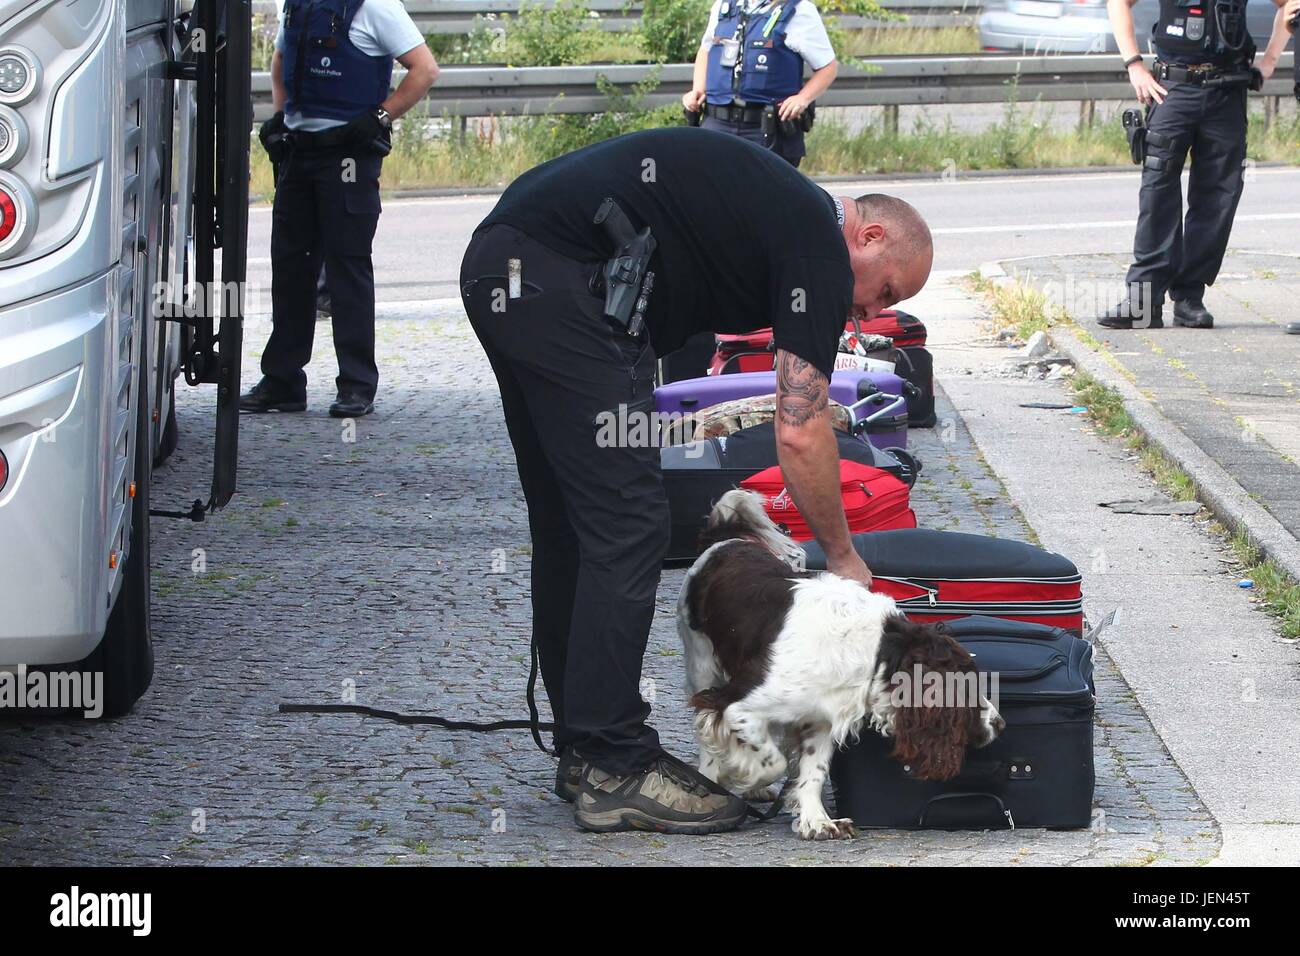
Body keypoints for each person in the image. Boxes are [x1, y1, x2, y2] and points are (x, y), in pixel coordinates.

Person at [459, 127, 933, 834]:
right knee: (628, 523)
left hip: (505, 261)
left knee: (574, 525)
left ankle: (586, 748)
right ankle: (614, 763)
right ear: (865, 235)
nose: (868, 316)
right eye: (881, 293)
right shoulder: (814, 238)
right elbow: (801, 427)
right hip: (556, 275)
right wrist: (842, 557)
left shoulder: (779, 212)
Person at [241, 0, 438, 417]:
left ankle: (356, 385)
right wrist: (278, 117)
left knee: (346, 268)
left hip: (348, 157)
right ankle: (283, 381)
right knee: (291, 267)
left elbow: (424, 70)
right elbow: (281, 59)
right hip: (298, 154)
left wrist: (381, 117)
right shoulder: (295, 5)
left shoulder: (376, 6)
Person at [1099, 0, 1292, 330]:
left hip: (1228, 92)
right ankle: (1143, 302)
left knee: (1218, 198)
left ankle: (1189, 297)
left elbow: (1290, 5)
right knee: (1157, 193)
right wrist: (1134, 65)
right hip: (1172, 89)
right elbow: (1118, 3)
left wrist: (1269, 62)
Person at [681, 0, 838, 167]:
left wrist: (802, 98)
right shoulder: (723, 6)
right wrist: (697, 89)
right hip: (717, 123)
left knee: (764, 191)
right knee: (709, 189)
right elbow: (706, 49)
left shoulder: (800, 10)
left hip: (765, 129)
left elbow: (828, 67)